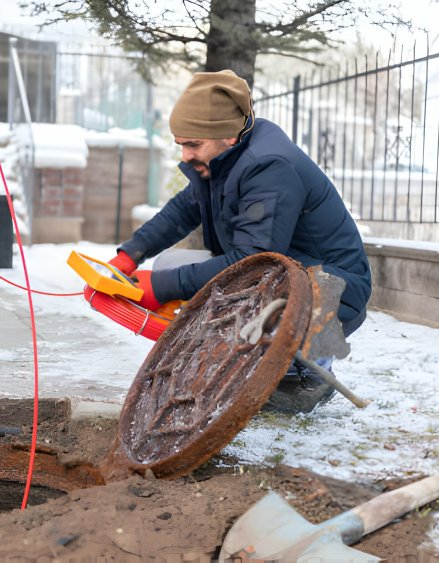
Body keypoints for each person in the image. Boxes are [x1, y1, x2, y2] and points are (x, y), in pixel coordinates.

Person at [108, 69, 372, 413]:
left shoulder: (269, 167)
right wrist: (131, 254)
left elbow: (252, 261)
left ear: (228, 136)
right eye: (181, 144)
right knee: (169, 265)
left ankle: (309, 376)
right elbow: (181, 211)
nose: (185, 155)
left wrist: (160, 287)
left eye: (192, 144)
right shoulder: (222, 158)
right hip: (284, 273)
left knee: (183, 284)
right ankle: (260, 364)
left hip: (332, 291)